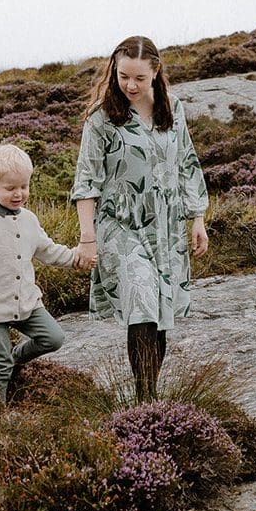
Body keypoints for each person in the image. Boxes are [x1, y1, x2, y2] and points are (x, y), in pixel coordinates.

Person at [71, 36, 209, 402]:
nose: (130, 86)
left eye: (139, 78)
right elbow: (86, 182)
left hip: (165, 225)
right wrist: (88, 238)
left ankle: (151, 399)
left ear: (156, 72)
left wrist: (197, 218)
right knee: (142, 304)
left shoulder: (172, 109)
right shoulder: (100, 119)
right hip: (120, 225)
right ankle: (144, 400)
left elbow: (187, 163)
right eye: (123, 77)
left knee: (160, 312)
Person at [0, 144, 82, 404]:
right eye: (10, 188)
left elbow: (48, 250)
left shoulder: (29, 219)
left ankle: (15, 359)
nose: (18, 194)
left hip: (27, 302)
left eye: (24, 186)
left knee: (54, 338)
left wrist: (76, 258)